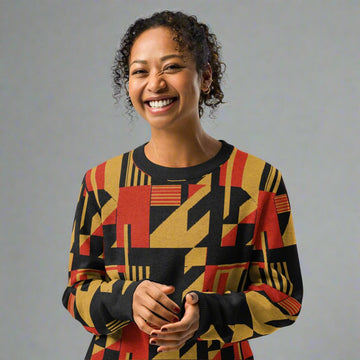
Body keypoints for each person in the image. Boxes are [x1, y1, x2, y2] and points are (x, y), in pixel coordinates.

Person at [62, 10, 303, 360]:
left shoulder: (257, 181)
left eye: (171, 67)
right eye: (140, 71)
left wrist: (206, 316)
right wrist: (127, 299)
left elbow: (284, 298)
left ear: (205, 77)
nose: (155, 83)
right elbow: (76, 292)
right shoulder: (102, 183)